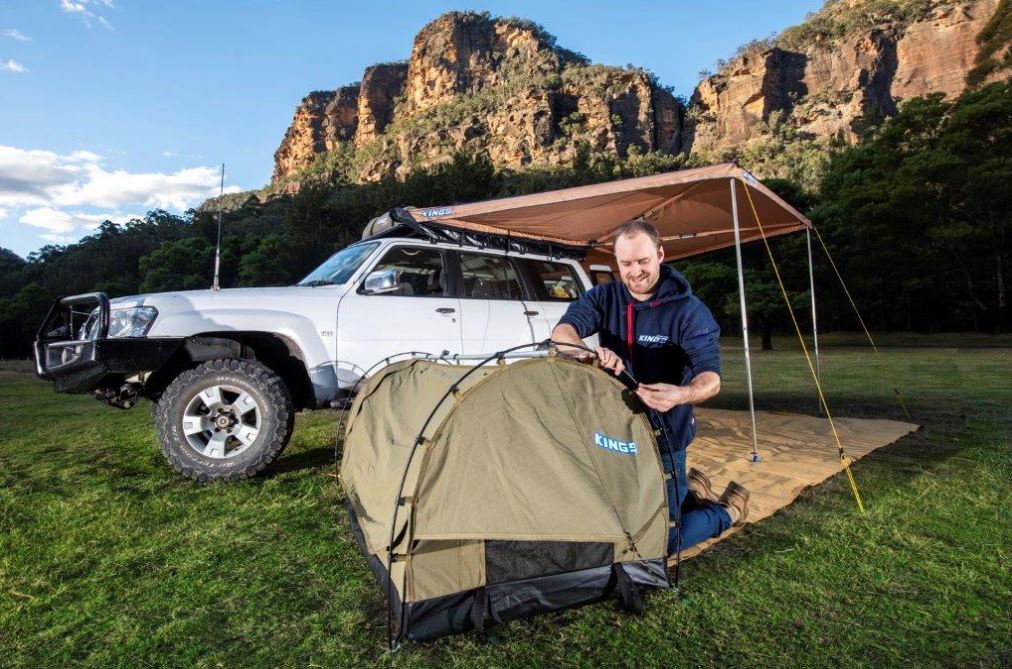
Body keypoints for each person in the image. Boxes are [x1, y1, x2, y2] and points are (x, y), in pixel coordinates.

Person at [551, 220, 749, 556]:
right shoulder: (604, 297)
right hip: (618, 428)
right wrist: (587, 352)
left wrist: (680, 394)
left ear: (660, 254)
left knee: (657, 541)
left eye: (643, 261)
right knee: (622, 516)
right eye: (626, 264)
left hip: (667, 434)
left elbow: (710, 379)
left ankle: (725, 512)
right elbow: (562, 333)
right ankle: (688, 494)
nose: (635, 272)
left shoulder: (689, 312)